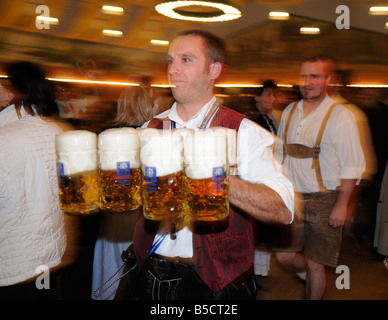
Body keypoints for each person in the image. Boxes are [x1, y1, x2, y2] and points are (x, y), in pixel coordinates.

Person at [133, 29, 295, 300]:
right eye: (170, 60)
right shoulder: (149, 129)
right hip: (150, 270)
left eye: (186, 60)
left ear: (214, 70)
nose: (172, 69)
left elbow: (284, 210)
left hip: (214, 282)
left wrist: (212, 176)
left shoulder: (243, 131)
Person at [274, 55, 366, 300]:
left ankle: (314, 280)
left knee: (317, 265)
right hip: (292, 198)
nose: (308, 82)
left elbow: (352, 165)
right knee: (284, 255)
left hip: (325, 201)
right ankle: (310, 275)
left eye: (315, 76)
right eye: (304, 76)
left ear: (328, 79)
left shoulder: (341, 115)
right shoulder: (290, 110)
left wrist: (342, 205)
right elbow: (279, 153)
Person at [0, 62, 67, 299]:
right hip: (49, 254)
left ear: (14, 91)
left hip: (10, 261)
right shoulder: (57, 131)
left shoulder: (5, 137)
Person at [91, 85, 155, 300]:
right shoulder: (152, 138)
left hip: (112, 219)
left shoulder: (106, 138)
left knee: (110, 272)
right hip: (141, 217)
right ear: (149, 107)